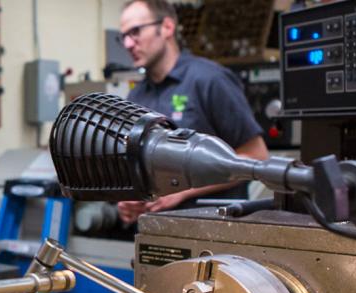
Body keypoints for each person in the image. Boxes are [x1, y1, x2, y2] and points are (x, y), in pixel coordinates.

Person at [115, 0, 269, 224]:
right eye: (124, 36)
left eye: (136, 31)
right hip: (156, 237)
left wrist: (181, 191)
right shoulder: (136, 97)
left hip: (214, 236)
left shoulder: (210, 80)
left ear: (167, 27)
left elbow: (256, 157)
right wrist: (130, 200)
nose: (128, 43)